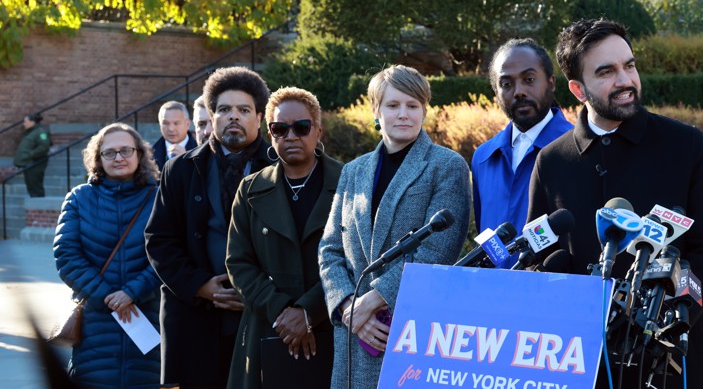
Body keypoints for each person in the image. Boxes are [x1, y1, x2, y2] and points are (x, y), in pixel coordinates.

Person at [527, 18, 703, 389]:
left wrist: (663, 319)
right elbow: (544, 258)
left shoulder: (687, 146)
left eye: (629, 65)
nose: (625, 80)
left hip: (676, 362)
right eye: (606, 71)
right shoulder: (552, 162)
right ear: (578, 89)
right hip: (586, 365)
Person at [318, 65, 471, 389]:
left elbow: (438, 251)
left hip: (408, 330)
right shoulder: (353, 171)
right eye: (393, 105)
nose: (403, 114)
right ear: (375, 109)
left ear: (424, 110)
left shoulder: (447, 166)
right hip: (353, 335)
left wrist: (372, 301)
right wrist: (347, 306)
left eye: (412, 105)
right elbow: (330, 248)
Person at [145, 66, 275, 388]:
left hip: (262, 315)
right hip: (195, 316)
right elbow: (159, 240)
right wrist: (200, 285)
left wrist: (258, 294)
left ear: (259, 118)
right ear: (211, 116)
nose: (234, 116)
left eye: (244, 110)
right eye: (224, 109)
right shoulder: (179, 170)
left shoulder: (280, 168)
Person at [226, 87, 342, 389]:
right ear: (270, 133)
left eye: (301, 127)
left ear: (318, 131)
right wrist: (282, 312)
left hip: (330, 327)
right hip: (267, 327)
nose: (291, 136)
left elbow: (357, 259)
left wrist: (307, 312)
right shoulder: (250, 189)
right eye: (280, 129)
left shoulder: (348, 183)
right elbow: (238, 264)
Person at [54, 122, 161, 387]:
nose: (119, 157)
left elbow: (170, 254)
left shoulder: (160, 197)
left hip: (148, 319)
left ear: (139, 153)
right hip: (96, 325)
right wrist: (108, 297)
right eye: (109, 152)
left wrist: (132, 292)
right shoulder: (79, 198)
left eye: (126, 150)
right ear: (98, 159)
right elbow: (66, 255)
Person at [471, 38, 573, 268]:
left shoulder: (578, 150)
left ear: (551, 82)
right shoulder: (483, 157)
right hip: (492, 293)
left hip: (552, 294)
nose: (518, 92)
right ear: (495, 92)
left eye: (529, 80)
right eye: (506, 84)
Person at [14, 113, 51, 197]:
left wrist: (30, 154)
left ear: (33, 122)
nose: (24, 124)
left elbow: (44, 146)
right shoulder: (31, 132)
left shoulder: (41, 132)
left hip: (35, 164)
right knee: (31, 186)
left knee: (35, 187)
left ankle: (39, 206)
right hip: (29, 164)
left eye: (26, 121)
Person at [153, 101, 197, 170]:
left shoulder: (201, 151)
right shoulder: (149, 155)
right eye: (166, 123)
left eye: (176, 123)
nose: (171, 129)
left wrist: (188, 162)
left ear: (187, 124)